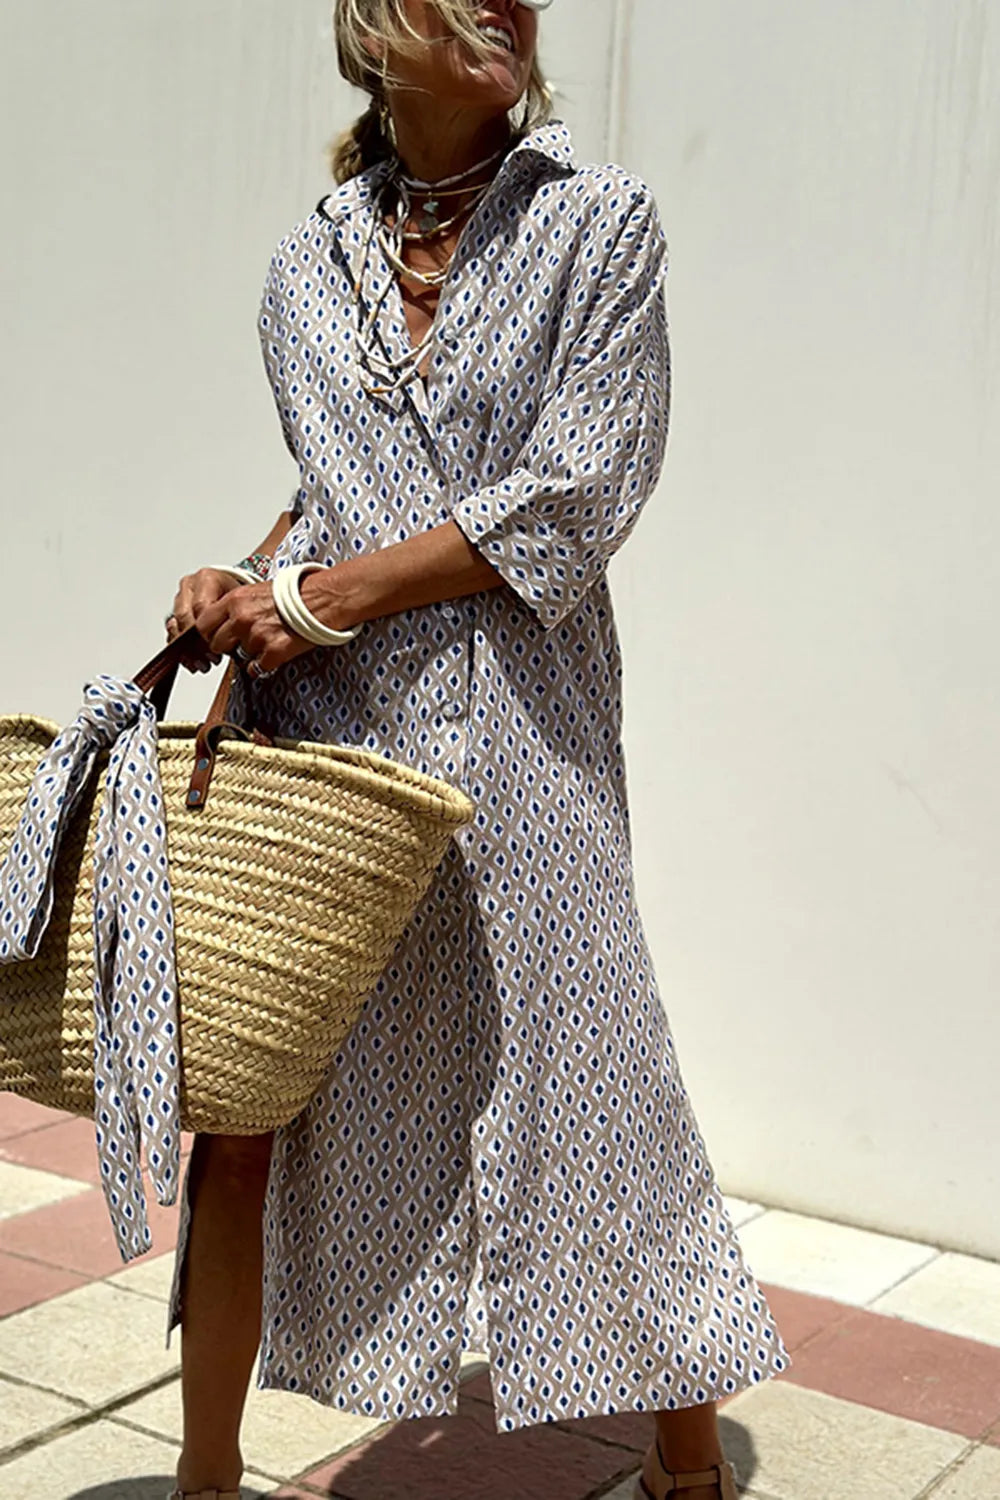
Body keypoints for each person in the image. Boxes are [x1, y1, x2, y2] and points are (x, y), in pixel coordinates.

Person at [164, 3, 790, 1497]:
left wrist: (323, 598)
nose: (509, 6)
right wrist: (243, 582)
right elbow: (336, 488)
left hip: (530, 730)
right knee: (254, 1104)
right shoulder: (303, 263)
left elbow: (580, 491)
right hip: (337, 749)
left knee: (595, 1086)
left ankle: (687, 1458)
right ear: (378, 28)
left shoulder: (600, 223)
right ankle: (202, 1478)